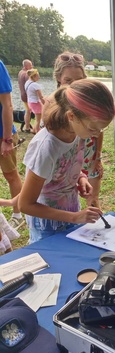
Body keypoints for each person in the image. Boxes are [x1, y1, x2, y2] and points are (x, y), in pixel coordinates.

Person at [18, 78, 115, 244]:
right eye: (93, 128)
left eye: (101, 129)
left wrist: (81, 177)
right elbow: (25, 204)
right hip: (47, 223)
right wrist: (74, 217)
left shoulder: (79, 132)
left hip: (70, 210)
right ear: (71, 116)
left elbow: (67, 164)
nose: (96, 134)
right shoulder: (46, 148)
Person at [52, 51, 104, 208]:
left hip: (89, 157)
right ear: (59, 80)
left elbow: (99, 132)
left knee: (93, 199)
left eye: (79, 80)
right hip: (64, 166)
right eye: (68, 80)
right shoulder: (52, 110)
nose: (74, 85)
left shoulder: (90, 103)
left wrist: (98, 158)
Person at [0, 60, 24, 229]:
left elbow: (7, 105)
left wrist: (7, 139)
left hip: (2, 135)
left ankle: (18, 213)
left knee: (11, 175)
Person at [24, 68, 45, 134]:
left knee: (37, 118)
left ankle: (34, 129)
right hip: (35, 102)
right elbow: (41, 97)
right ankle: (37, 131)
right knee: (38, 119)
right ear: (34, 76)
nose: (39, 77)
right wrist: (45, 103)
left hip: (30, 102)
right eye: (38, 76)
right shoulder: (35, 85)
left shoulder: (27, 83)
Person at [17, 59, 34, 133]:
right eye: (31, 65)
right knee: (28, 112)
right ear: (27, 66)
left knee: (27, 111)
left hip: (23, 95)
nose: (32, 67)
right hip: (28, 96)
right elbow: (31, 84)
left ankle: (27, 126)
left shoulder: (20, 72)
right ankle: (27, 127)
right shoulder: (26, 74)